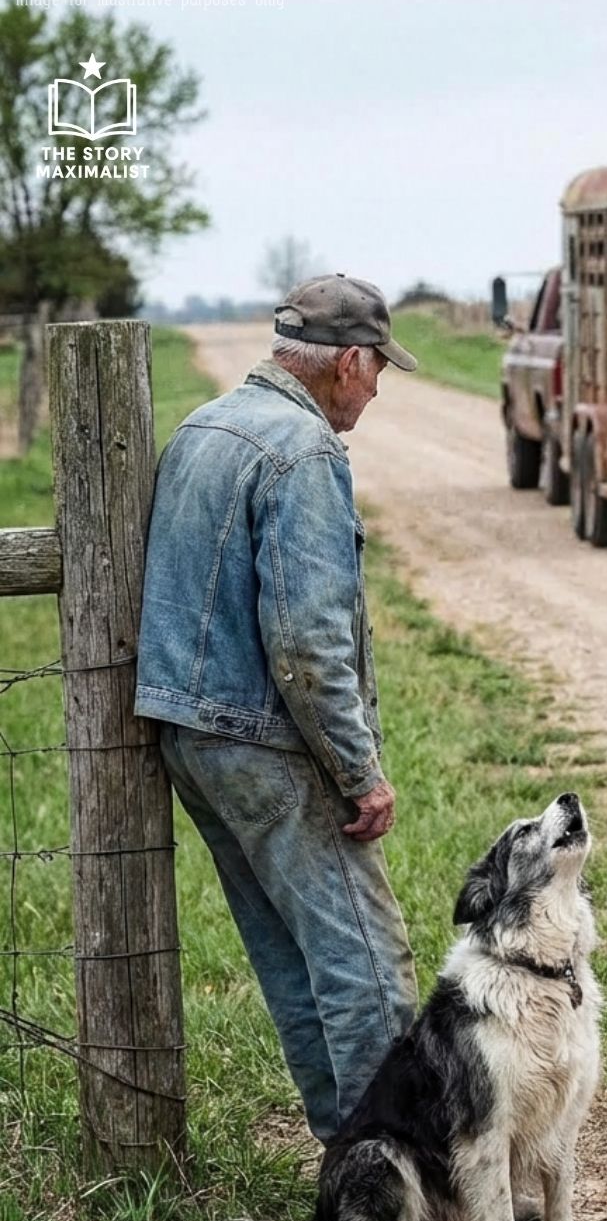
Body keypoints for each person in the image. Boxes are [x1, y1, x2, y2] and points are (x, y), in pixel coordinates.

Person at [134, 274, 419, 1143]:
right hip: (266, 740)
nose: (377, 389)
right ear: (348, 362)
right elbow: (306, 643)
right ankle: (404, 1170)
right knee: (367, 961)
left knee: (292, 957)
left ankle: (351, 1158)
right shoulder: (304, 452)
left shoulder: (204, 426)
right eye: (379, 370)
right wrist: (358, 772)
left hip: (190, 735)